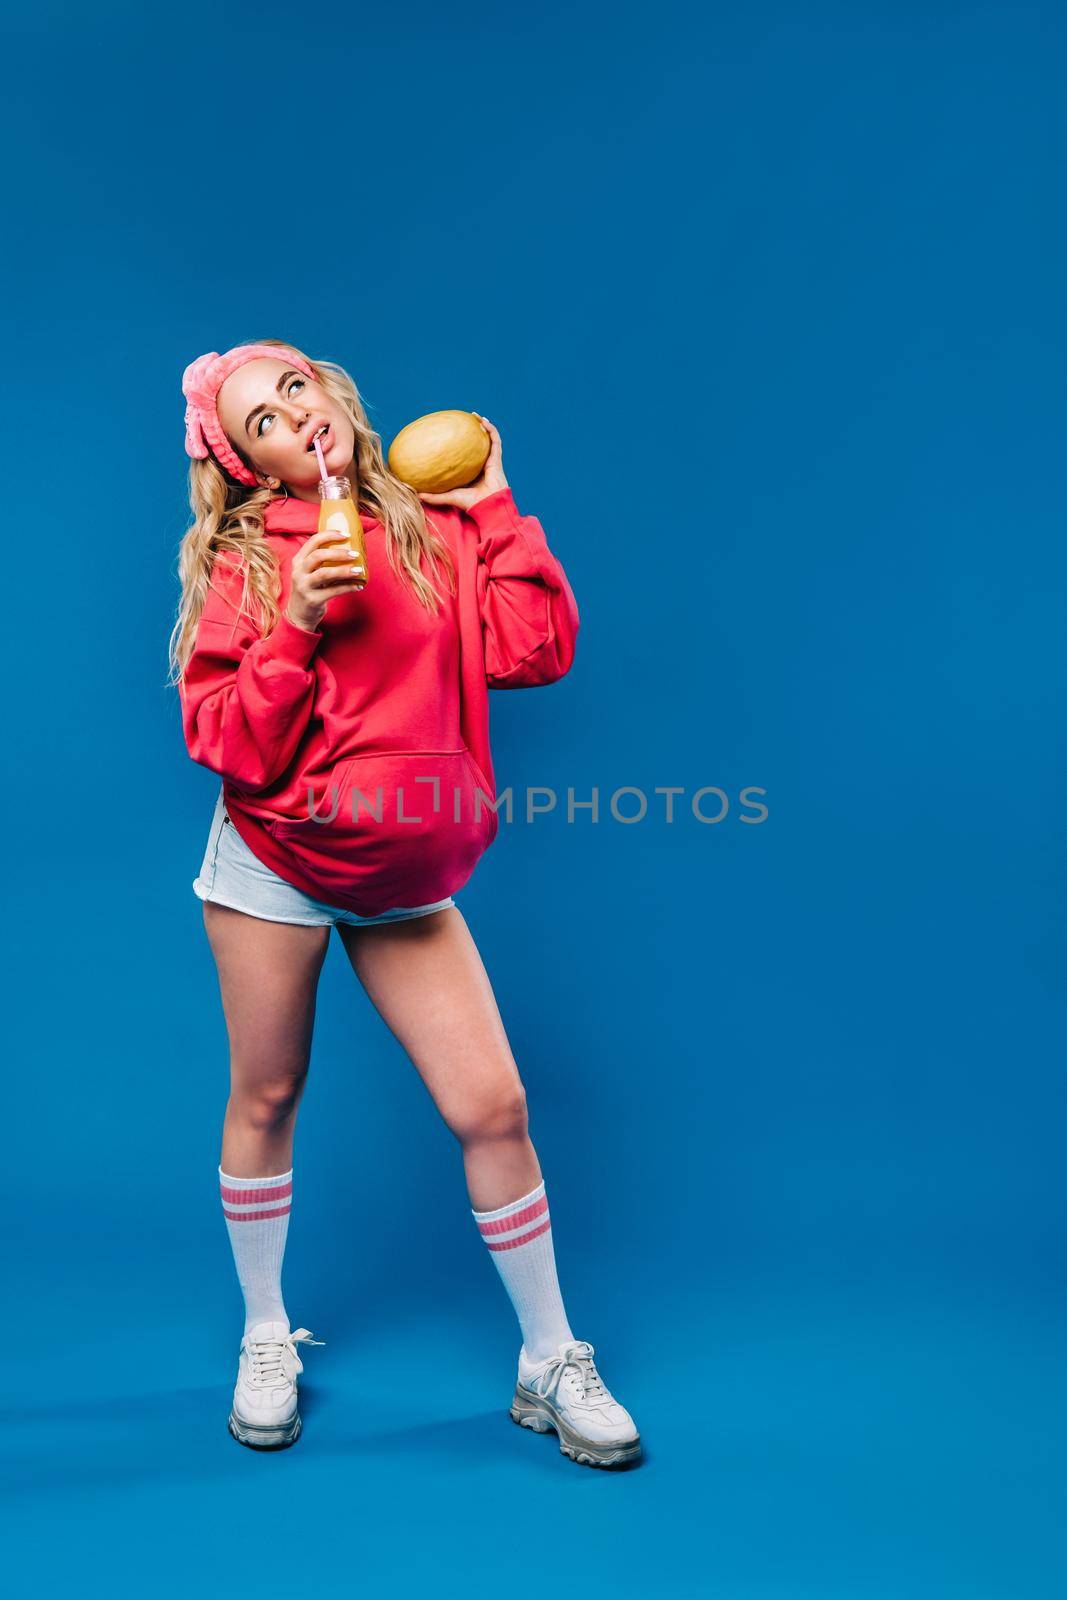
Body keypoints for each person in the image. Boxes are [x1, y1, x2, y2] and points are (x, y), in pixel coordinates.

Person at [167, 338, 641, 1468]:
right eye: (260, 420)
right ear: (250, 467)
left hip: (403, 871)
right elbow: (221, 736)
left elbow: (534, 650)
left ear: (332, 395)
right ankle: (266, 1331)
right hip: (275, 857)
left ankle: (547, 1355)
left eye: (295, 387)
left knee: (492, 1107)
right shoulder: (247, 562)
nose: (291, 413)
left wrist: (493, 505)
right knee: (268, 1091)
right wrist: (293, 624)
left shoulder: (432, 526)